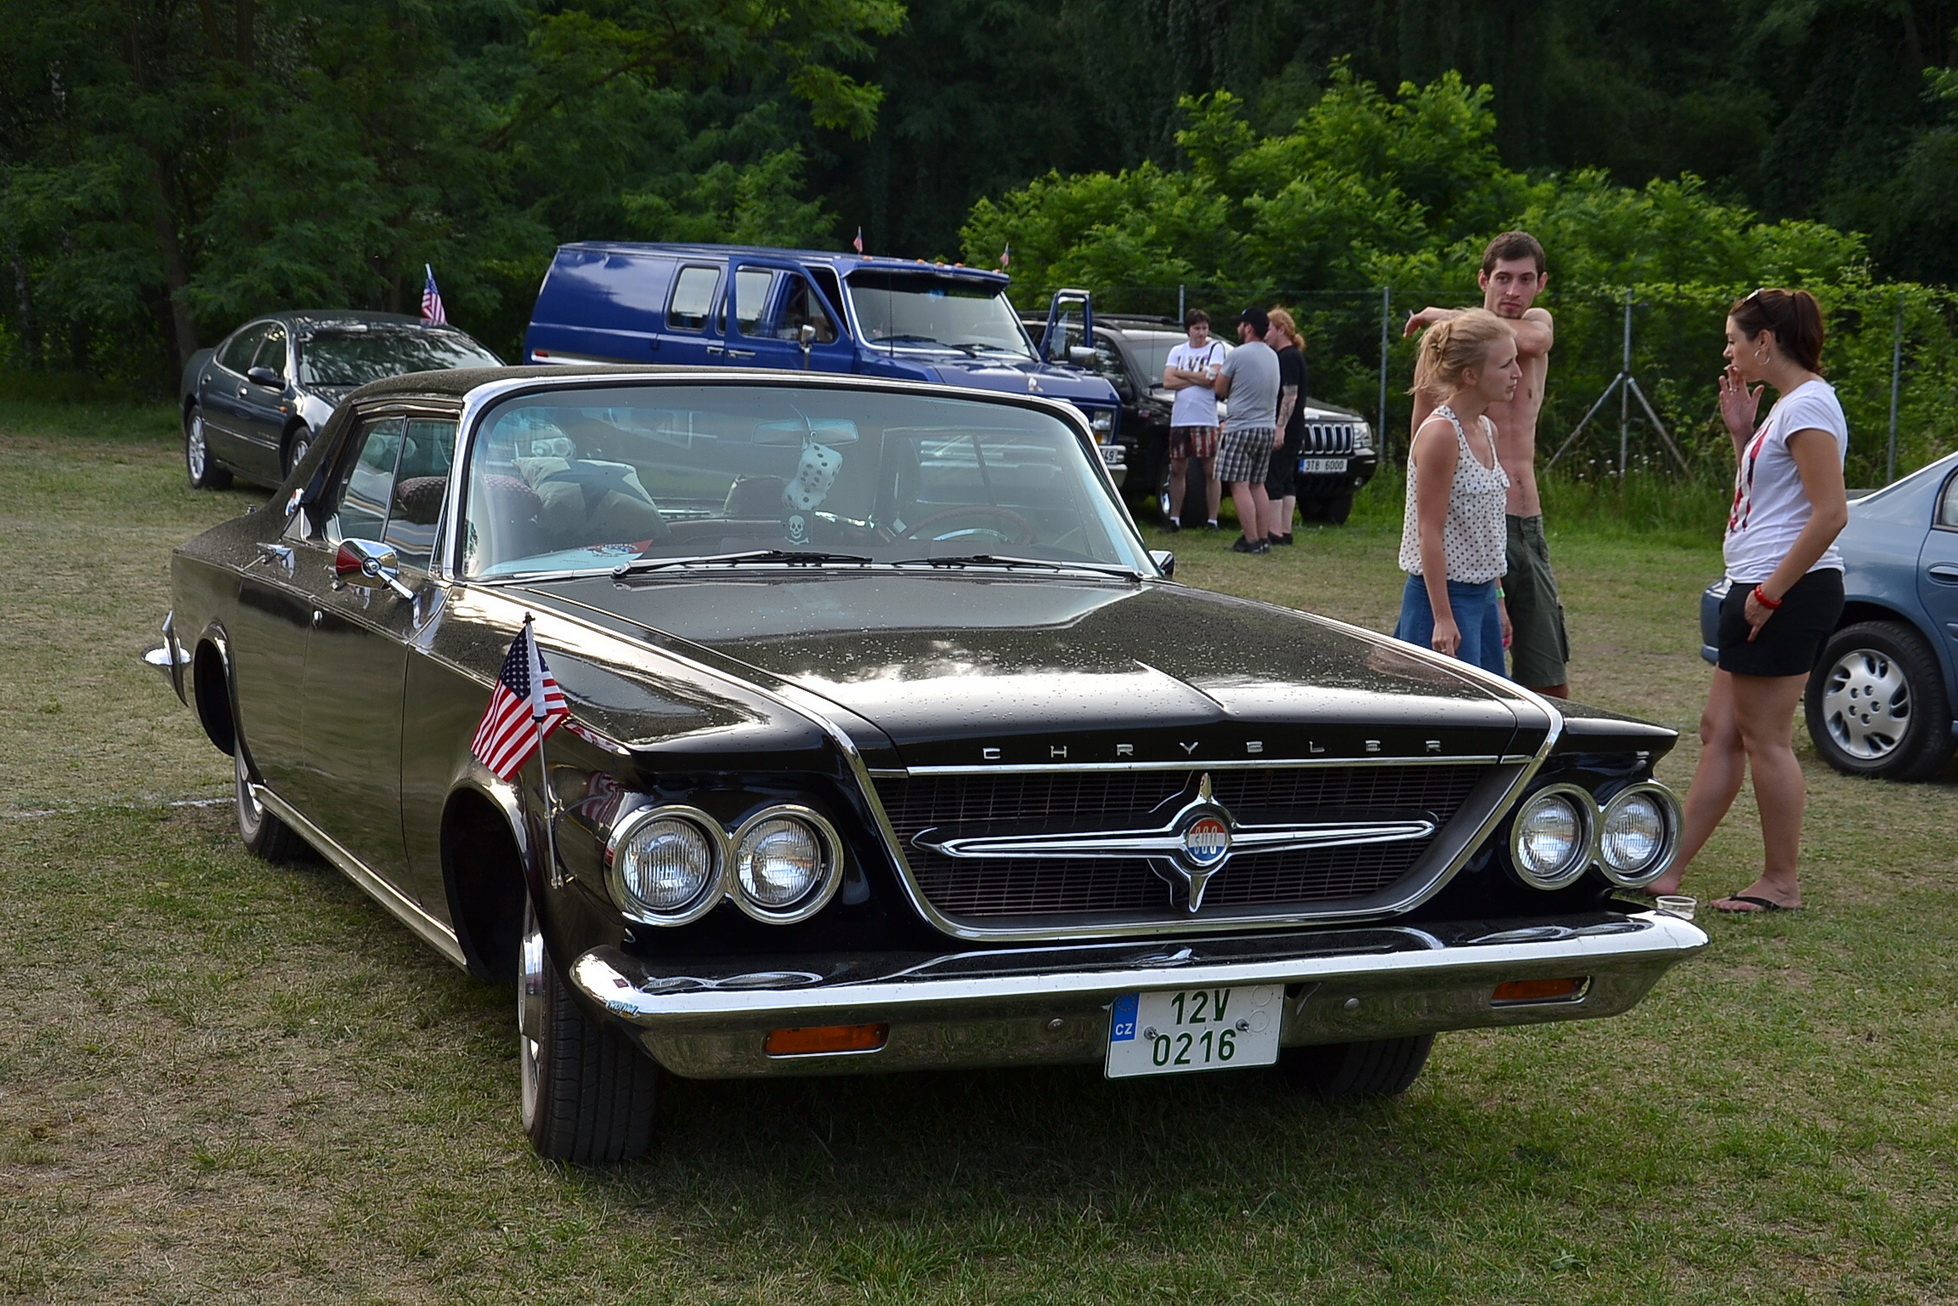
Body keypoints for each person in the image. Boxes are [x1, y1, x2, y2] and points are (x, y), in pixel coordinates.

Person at [1645, 289, 1847, 914]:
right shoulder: (1787, 407)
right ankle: (1667, 872)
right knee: (1720, 731)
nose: (1728, 351)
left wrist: (1769, 594)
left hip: (1785, 591)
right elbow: (1767, 503)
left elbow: (1830, 514)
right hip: (1757, 585)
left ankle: (1780, 882)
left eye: (1734, 339)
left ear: (1765, 342)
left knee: (1767, 739)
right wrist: (1742, 434)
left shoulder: (1809, 406)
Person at [1405, 232, 1569, 698]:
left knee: (1547, 674)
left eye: (1526, 279)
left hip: (1522, 523)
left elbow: (1534, 339)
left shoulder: (1534, 327)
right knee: (1460, 681)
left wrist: (1443, 314)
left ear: (1541, 284)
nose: (1513, 291)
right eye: (1503, 278)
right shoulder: (1448, 352)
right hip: (1463, 526)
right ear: (1483, 279)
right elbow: (1421, 447)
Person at [1395, 310, 1518, 673]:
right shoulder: (1441, 434)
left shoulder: (1487, 429)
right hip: (1442, 601)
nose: (1517, 373)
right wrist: (1442, 617)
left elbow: (1487, 529)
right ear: (1470, 375)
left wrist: (1497, 599)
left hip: (1482, 598)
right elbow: (1428, 532)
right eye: (1505, 365)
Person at [1212, 307, 1281, 554]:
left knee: (1239, 485)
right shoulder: (1273, 355)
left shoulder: (1238, 354)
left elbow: (1219, 388)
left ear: (1249, 327)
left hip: (1241, 427)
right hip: (1266, 427)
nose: (1238, 328)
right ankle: (1263, 538)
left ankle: (1250, 540)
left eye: (1241, 324)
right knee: (1257, 484)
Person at [1160, 309, 1228, 531]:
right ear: (1188, 330)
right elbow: (1167, 381)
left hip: (1205, 418)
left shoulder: (1215, 349)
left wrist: (1182, 373)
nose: (1201, 333)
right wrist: (1196, 378)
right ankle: (1175, 518)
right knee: (1177, 468)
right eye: (1197, 328)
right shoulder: (1177, 351)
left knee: (1210, 470)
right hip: (1181, 419)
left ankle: (1212, 520)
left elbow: (1211, 378)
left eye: (1204, 328)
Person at [1263, 306, 1307, 545]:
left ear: (1281, 330)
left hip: (1287, 428)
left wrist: (1280, 428)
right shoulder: (1292, 356)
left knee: (1274, 477)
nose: (1266, 334)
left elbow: (1290, 394)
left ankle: (1274, 531)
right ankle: (1285, 530)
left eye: (1269, 329)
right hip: (1294, 427)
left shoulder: (1287, 357)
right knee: (1286, 478)